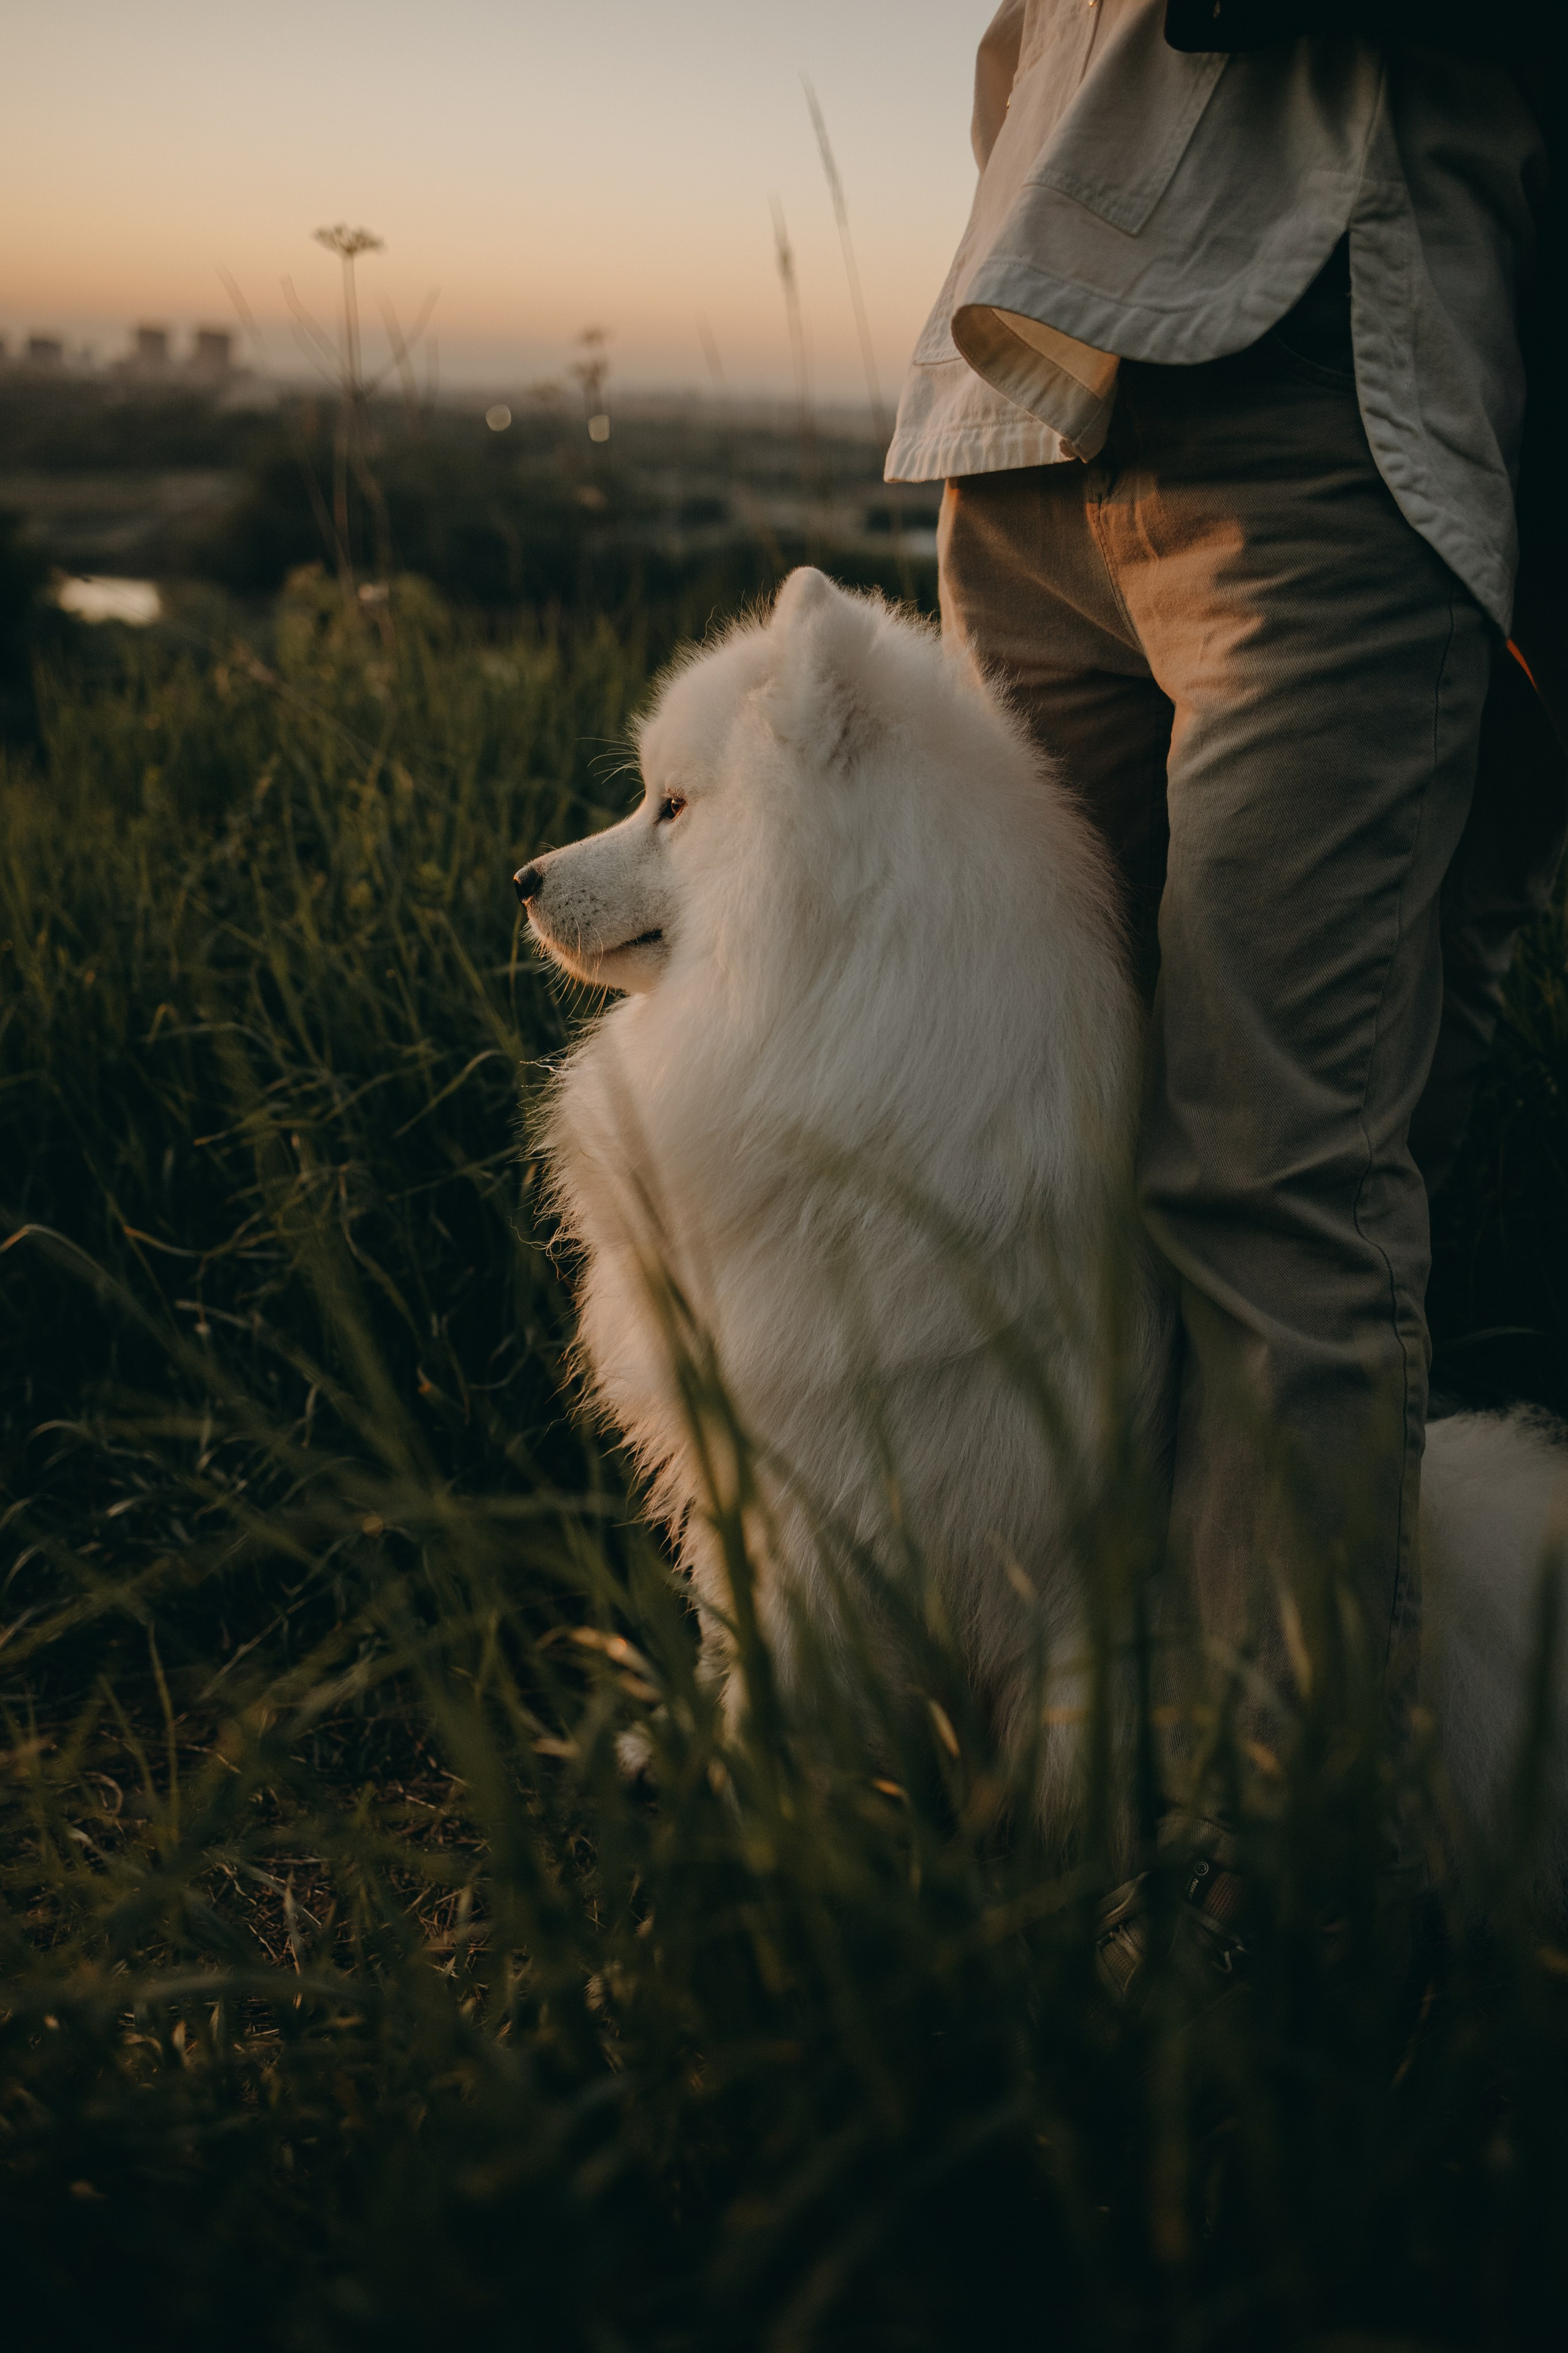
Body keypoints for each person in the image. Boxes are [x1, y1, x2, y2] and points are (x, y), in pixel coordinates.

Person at [886, 1, 1567, 1720]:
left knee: (1272, 1169)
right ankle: (1055, 1759)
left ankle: (1281, 1883)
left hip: (1322, 370)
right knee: (1043, 1149)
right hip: (1024, 404)